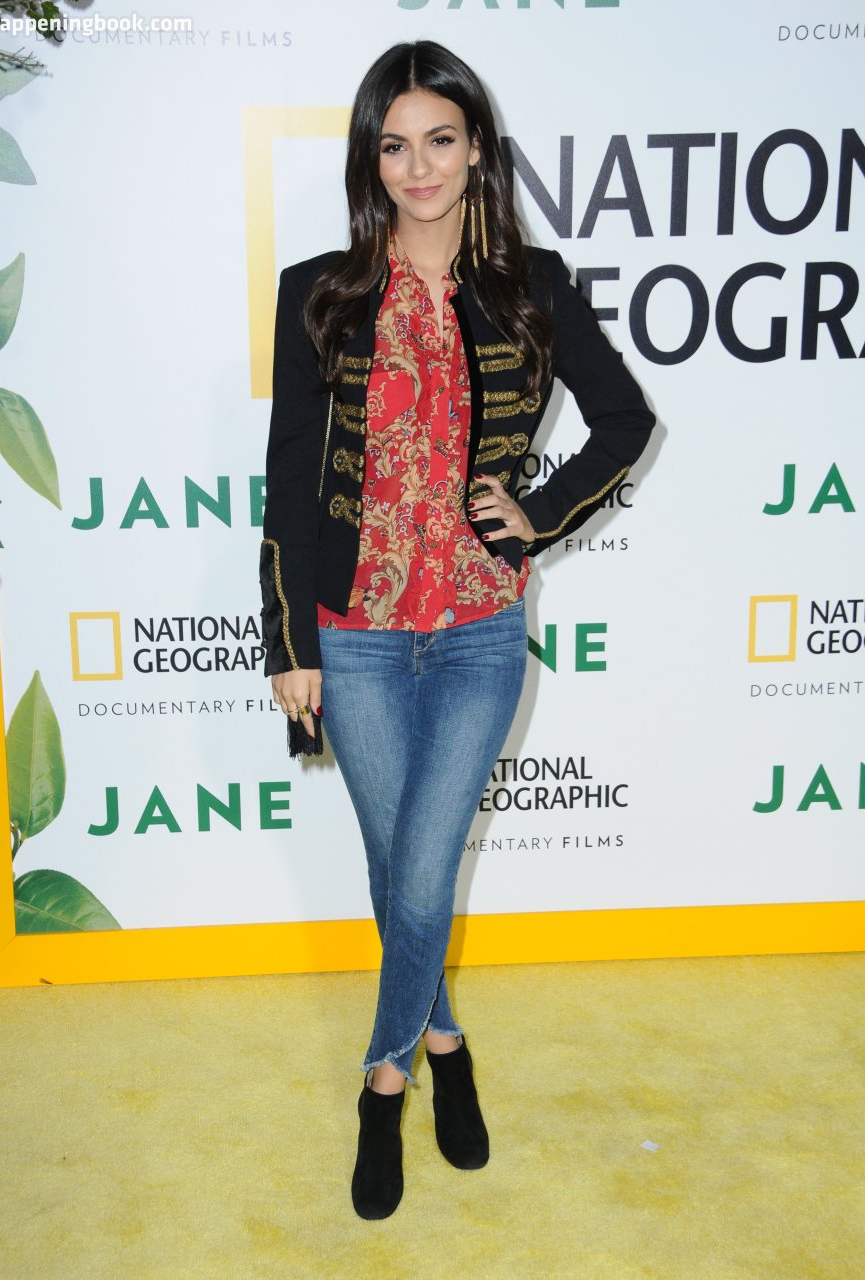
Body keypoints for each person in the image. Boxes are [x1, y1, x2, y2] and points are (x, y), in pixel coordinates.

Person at [259, 40, 655, 1220]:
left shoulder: (530, 284)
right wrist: (288, 642)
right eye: (394, 145)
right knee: (404, 873)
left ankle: (382, 1082)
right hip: (357, 632)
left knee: (420, 870)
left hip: (479, 626)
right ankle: (443, 1042)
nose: (418, 166)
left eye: (439, 139)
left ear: (475, 148)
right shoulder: (319, 292)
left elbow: (623, 420)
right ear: (369, 160)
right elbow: (288, 480)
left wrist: (538, 513)